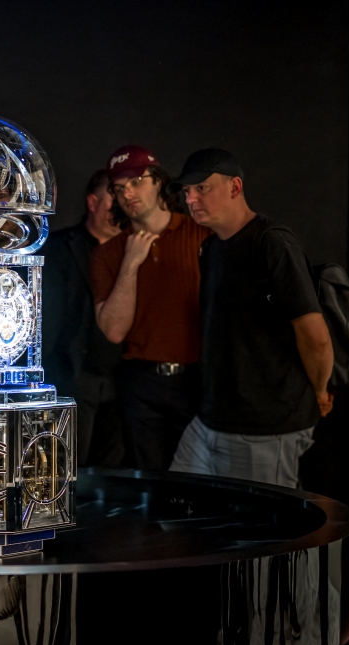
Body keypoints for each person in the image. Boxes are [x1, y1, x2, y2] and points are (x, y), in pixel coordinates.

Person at [168, 149, 333, 487]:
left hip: (266, 426)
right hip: (211, 420)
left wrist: (319, 391)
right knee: (181, 504)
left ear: (235, 187)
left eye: (202, 188)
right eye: (187, 191)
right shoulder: (211, 249)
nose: (191, 199)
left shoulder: (271, 242)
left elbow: (315, 335)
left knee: (261, 519)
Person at [90, 146, 211, 470]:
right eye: (119, 188)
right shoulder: (108, 254)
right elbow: (114, 331)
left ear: (158, 181)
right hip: (141, 384)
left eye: (136, 181)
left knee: (200, 481)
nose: (127, 193)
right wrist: (130, 264)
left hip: (199, 379)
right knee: (150, 483)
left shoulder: (203, 236)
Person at [41, 169, 125, 467]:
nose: (120, 208)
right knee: (68, 468)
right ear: (93, 203)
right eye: (113, 200)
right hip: (72, 378)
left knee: (112, 471)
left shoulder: (131, 249)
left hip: (121, 381)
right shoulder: (58, 247)